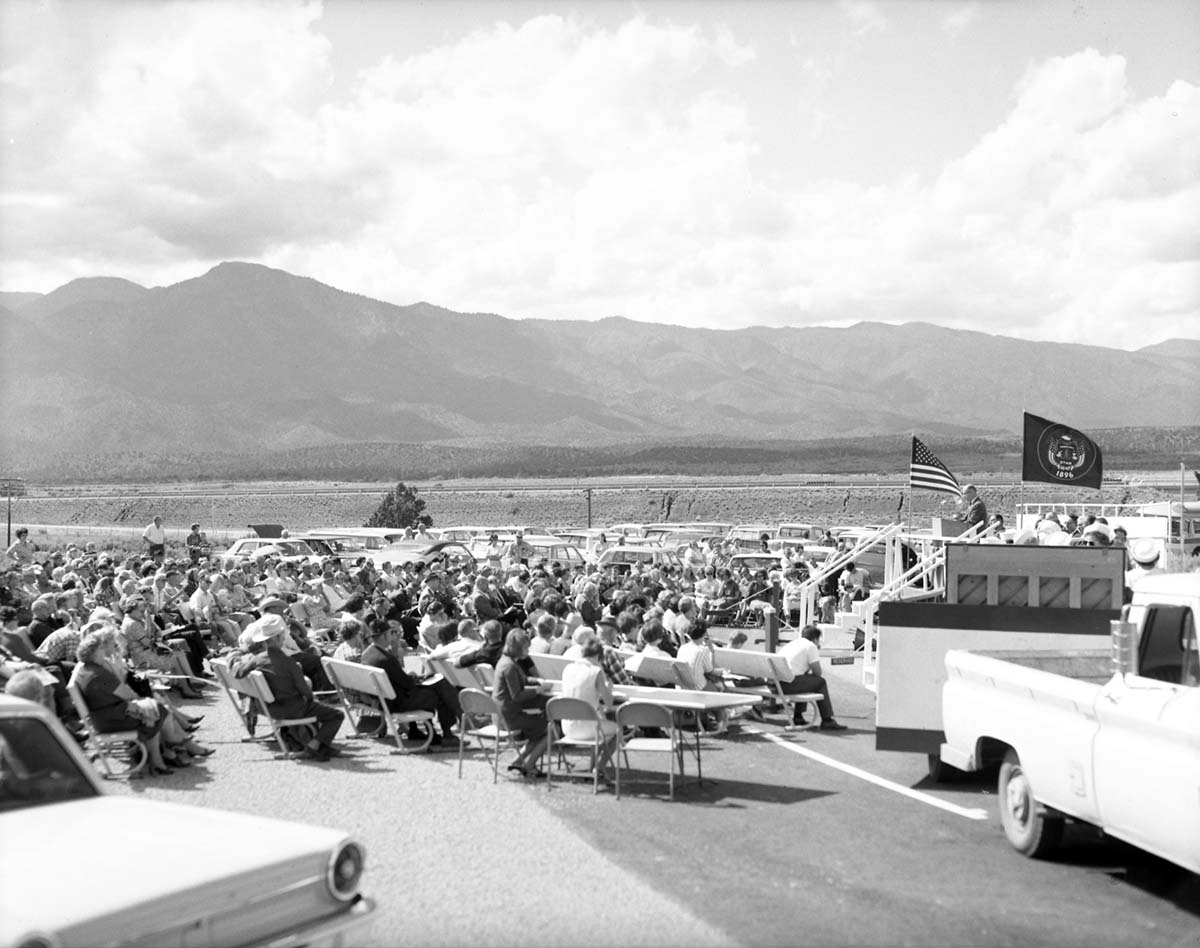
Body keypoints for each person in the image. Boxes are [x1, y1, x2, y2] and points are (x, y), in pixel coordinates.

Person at [233, 615, 344, 762]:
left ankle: (320, 745)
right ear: (278, 639)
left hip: (267, 707)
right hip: (291, 709)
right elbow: (305, 691)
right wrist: (311, 699)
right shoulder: (288, 662)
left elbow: (238, 673)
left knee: (314, 707)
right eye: (281, 636)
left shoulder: (257, 659)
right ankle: (314, 745)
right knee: (336, 715)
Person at [360, 617, 460, 746]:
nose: (392, 636)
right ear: (385, 635)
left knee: (435, 687)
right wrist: (414, 677)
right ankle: (448, 734)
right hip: (396, 702)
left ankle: (420, 731)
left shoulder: (367, 654)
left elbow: (399, 680)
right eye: (391, 633)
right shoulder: (386, 659)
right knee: (440, 692)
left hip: (382, 699)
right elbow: (408, 685)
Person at [559, 639, 619, 786]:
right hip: (587, 727)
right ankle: (599, 766)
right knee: (618, 731)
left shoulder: (568, 668)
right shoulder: (596, 671)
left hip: (566, 726)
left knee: (598, 721)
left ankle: (594, 765)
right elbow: (609, 702)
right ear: (599, 656)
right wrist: (608, 687)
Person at [492, 628, 549, 778]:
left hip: (503, 713)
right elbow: (517, 695)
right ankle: (529, 765)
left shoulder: (506, 661)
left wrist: (537, 681)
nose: (528, 651)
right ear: (518, 648)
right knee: (550, 730)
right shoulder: (510, 666)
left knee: (539, 729)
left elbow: (522, 680)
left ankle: (519, 760)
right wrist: (538, 690)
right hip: (509, 716)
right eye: (526, 648)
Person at [778, 625, 846, 730]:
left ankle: (798, 716)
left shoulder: (793, 643)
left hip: (775, 683)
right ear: (815, 639)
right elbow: (818, 673)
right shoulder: (810, 646)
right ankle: (827, 719)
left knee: (805, 679)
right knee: (820, 682)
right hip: (786, 685)